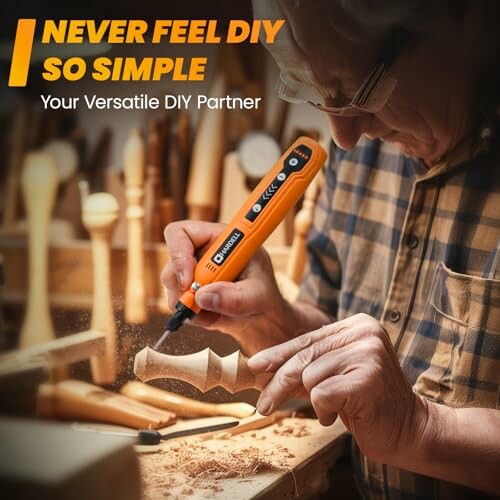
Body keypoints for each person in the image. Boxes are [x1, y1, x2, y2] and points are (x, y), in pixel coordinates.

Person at [162, 0, 500, 497]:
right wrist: (270, 321)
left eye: (361, 87)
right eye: (321, 94)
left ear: (464, 18)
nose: (343, 136)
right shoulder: (366, 144)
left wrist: (421, 429)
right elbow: (336, 342)